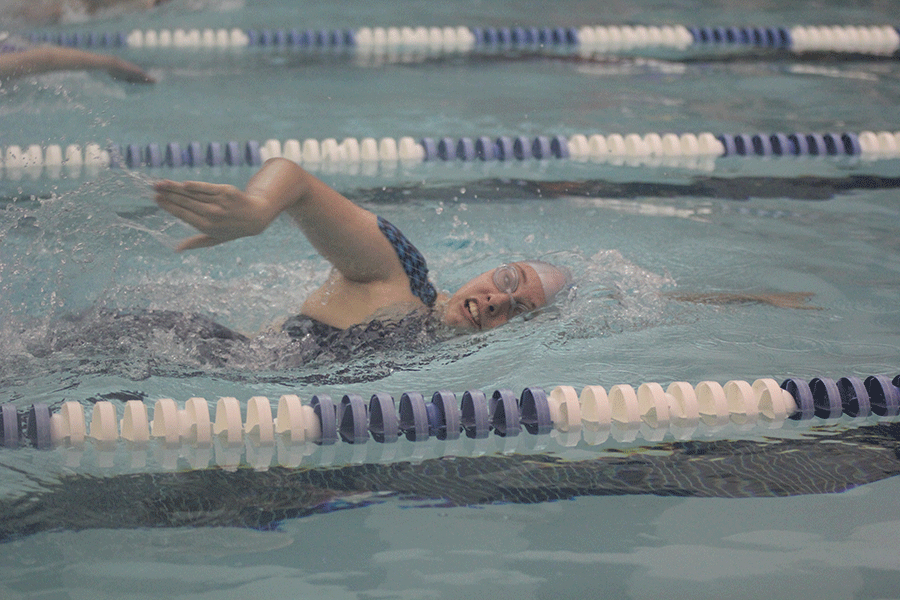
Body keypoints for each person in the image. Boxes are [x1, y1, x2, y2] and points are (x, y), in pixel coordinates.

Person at [153, 158, 572, 341]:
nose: (498, 300)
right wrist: (259, 208)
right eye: (507, 280)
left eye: (520, 310)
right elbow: (294, 180)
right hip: (173, 345)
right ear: (490, 270)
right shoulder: (398, 277)